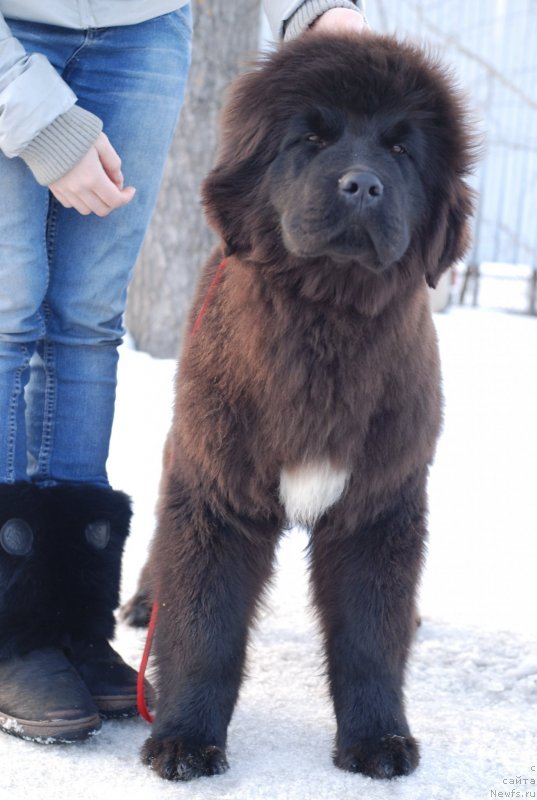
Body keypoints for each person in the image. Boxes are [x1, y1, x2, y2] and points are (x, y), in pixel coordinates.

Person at [0, 0, 366, 744]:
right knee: (8, 312)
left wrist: (318, 7)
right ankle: (10, 631)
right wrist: (31, 110)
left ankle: (71, 624)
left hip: (142, 28)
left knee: (89, 320)